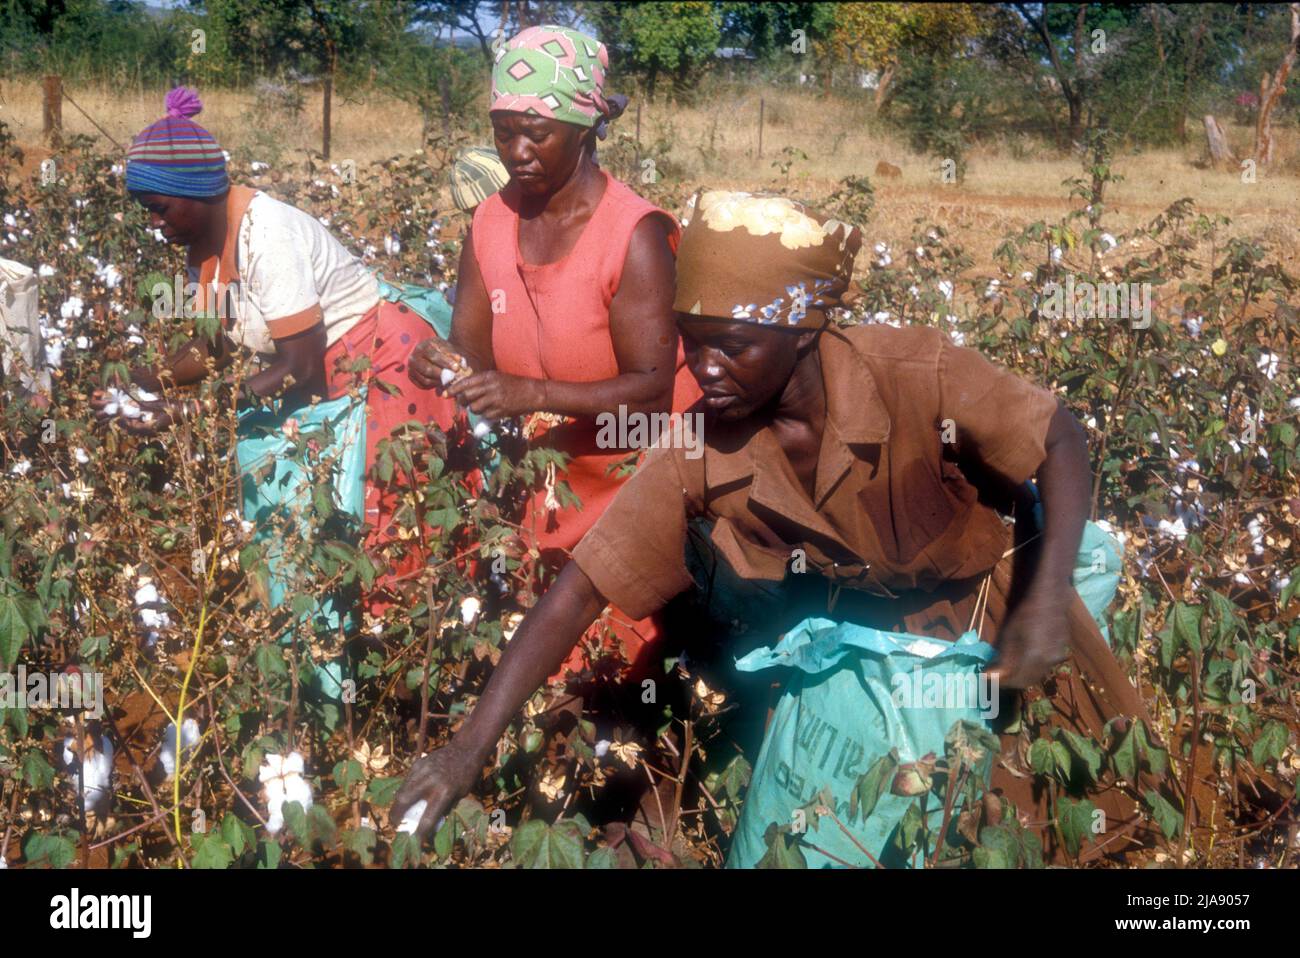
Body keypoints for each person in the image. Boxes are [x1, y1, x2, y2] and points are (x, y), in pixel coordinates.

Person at [393, 189, 1152, 864]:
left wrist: (1047, 602)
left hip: (1008, 608)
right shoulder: (703, 439)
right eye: (693, 340)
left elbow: (1059, 436)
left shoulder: (916, 371)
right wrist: (465, 750)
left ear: (801, 333)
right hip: (872, 645)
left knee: (1058, 812)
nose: (706, 366)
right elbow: (583, 588)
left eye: (732, 345)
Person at [91, 87, 457, 623]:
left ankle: (401, 651)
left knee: (384, 524)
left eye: (159, 208)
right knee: (329, 519)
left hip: (378, 369)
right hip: (324, 375)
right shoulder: (204, 244)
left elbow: (299, 369)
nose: (153, 223)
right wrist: (142, 381)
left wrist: (188, 413)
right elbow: (211, 346)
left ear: (195, 191)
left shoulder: (268, 237)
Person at [409, 25, 701, 680]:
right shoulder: (489, 222)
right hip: (538, 481)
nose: (516, 151)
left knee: (615, 682)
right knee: (529, 670)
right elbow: (472, 352)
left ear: (584, 129)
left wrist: (529, 394)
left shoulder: (634, 235)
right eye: (502, 129)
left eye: (535, 132)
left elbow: (651, 395)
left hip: (631, 482)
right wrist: (443, 362)